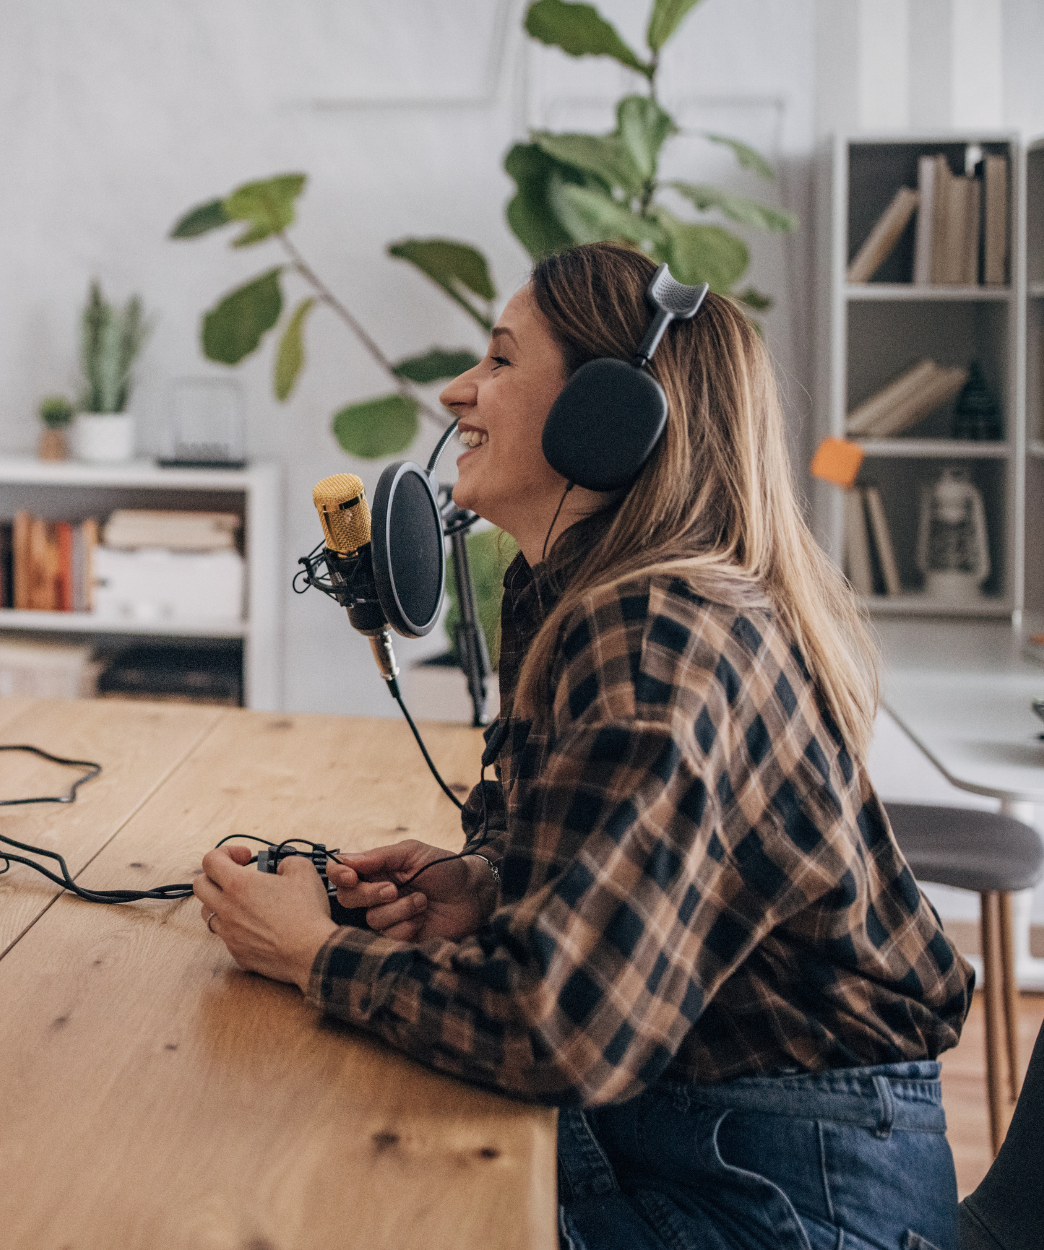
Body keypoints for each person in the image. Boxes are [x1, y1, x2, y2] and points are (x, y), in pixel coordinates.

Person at [194, 242, 972, 1247]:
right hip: (698, 1125)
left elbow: (556, 1026)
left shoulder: (652, 637)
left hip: (789, 1196)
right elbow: (633, 905)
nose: (453, 390)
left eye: (501, 360)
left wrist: (311, 951)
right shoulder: (583, 592)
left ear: (602, 416)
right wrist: (487, 880)